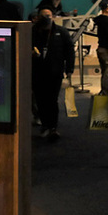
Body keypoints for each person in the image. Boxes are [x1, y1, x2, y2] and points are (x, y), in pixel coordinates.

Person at [31, 8, 75, 140]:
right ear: (39, 17)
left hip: (55, 72)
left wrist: (69, 69)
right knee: (40, 99)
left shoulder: (61, 32)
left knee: (52, 99)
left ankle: (53, 127)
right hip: (37, 71)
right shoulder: (33, 31)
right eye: (44, 16)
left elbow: (69, 51)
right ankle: (45, 125)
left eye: (49, 15)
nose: (47, 18)